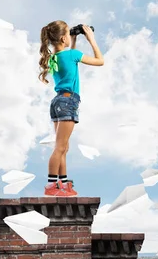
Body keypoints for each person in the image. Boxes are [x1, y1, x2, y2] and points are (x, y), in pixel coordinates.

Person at [38, 21, 104, 197]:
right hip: (69, 102)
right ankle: (51, 186)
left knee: (63, 147)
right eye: (68, 33)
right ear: (63, 38)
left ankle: (64, 185)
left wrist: (73, 39)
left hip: (58, 102)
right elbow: (100, 61)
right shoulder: (72, 54)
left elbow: (70, 63)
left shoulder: (54, 58)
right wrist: (91, 39)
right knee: (60, 148)